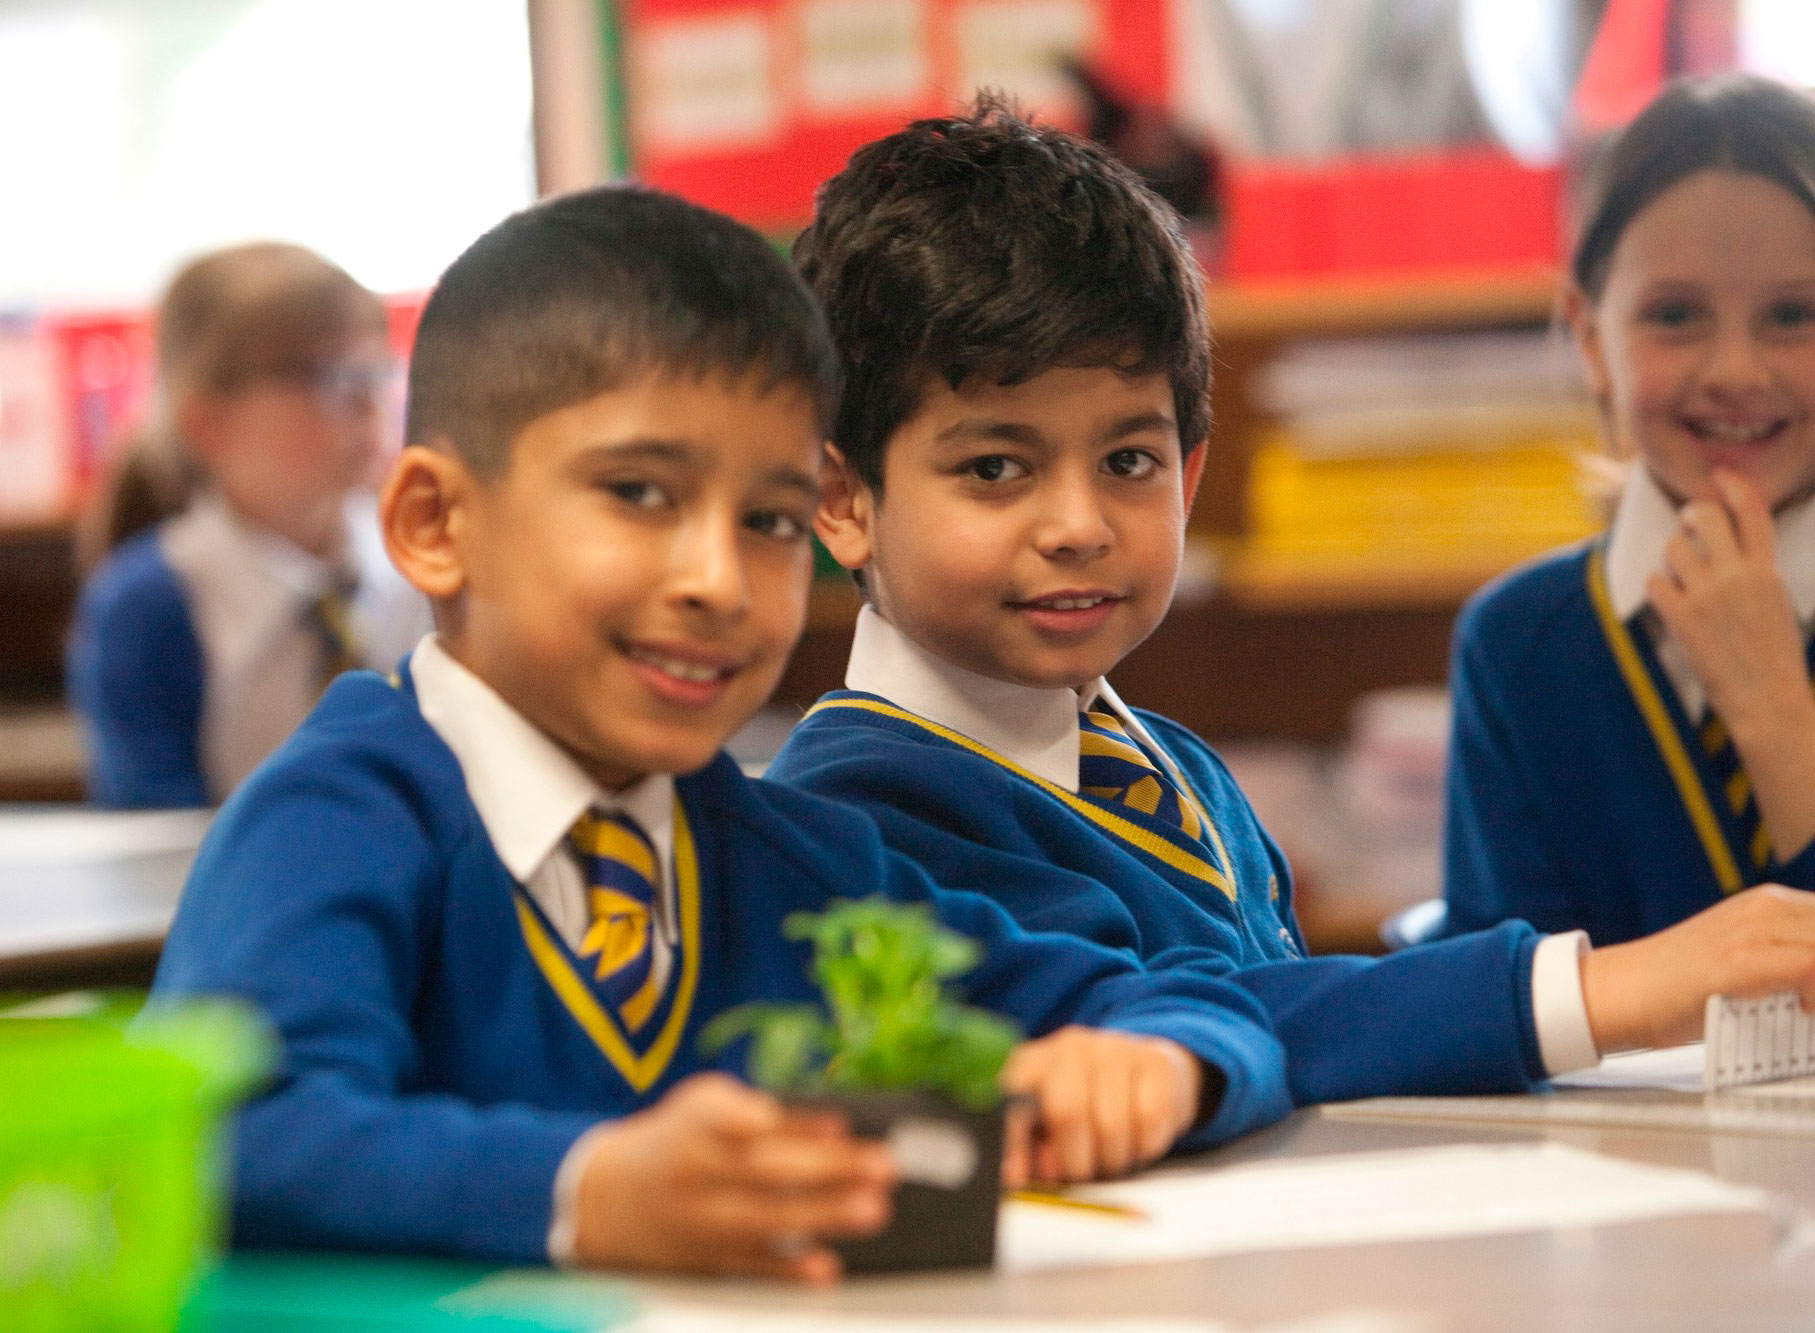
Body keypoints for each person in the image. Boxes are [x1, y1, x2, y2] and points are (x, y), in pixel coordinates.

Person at [149, 186, 1293, 1280]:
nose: (717, 579)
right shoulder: (339, 820)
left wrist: (1168, 1061)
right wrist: (586, 1190)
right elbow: (228, 1131)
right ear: (435, 522)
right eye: (640, 494)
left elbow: (1161, 995)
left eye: (770, 520)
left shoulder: (793, 857)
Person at [764, 96, 1815, 1112]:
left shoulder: (1176, 771)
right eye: (995, 468)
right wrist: (1600, 988)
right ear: (840, 499)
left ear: (1189, 476)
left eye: (1128, 461)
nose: (1078, 524)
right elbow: (1166, 1015)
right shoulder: (845, 823)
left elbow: (1277, 1033)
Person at [1443, 75, 1815, 945]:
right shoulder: (1517, 645)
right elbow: (1511, 994)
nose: (1736, 370)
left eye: (1794, 314)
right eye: (1674, 315)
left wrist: (1774, 714)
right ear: (1588, 337)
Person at [68, 242, 428, 808]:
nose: (369, 404)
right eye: (333, 377)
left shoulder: (424, 564)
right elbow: (155, 825)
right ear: (207, 421)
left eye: (376, 372)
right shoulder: (149, 607)